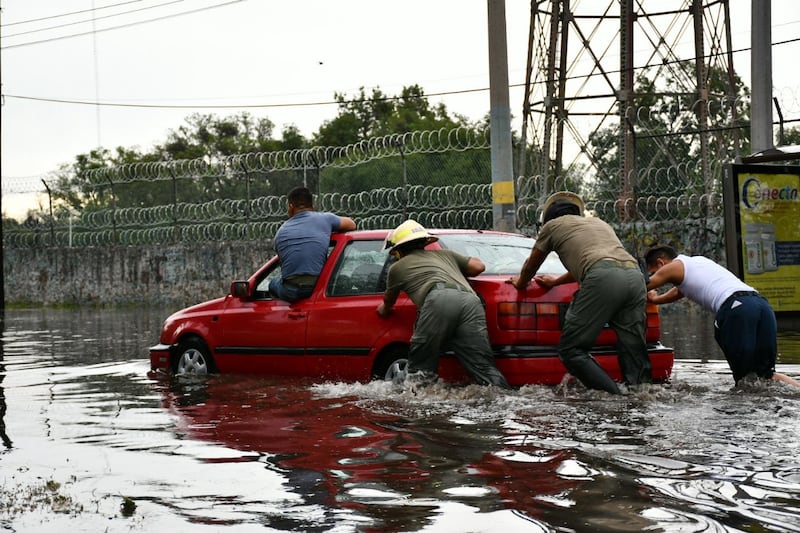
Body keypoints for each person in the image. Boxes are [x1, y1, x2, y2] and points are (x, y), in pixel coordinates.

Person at [508, 191, 652, 394]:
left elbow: (531, 266)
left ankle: (615, 397)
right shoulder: (600, 224)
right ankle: (642, 395)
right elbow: (598, 260)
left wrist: (520, 283)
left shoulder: (552, 226)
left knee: (571, 350)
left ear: (548, 218)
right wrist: (557, 281)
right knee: (633, 348)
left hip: (602, 278)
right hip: (634, 276)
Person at [376, 220, 511, 389]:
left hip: (439, 299)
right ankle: (502, 394)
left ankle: (421, 402)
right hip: (471, 300)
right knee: (482, 364)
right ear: (425, 242)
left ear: (398, 251)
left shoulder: (397, 268)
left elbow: (388, 303)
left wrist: (382, 311)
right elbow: (479, 266)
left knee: (421, 361)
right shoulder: (446, 255)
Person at [644, 244, 800, 388]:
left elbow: (641, 285)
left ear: (661, 263)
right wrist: (656, 299)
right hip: (762, 306)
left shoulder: (673, 266)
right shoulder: (698, 262)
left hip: (737, 308)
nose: (655, 276)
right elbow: (680, 291)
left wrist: (647, 291)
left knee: (744, 381)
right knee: (765, 376)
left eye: (653, 272)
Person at [268, 186, 356, 302]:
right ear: (312, 206)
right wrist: (328, 230)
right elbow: (352, 224)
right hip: (319, 287)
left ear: (291, 207)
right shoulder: (325, 219)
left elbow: (284, 262)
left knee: (272, 284)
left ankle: (283, 313)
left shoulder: (281, 231)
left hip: (291, 291)